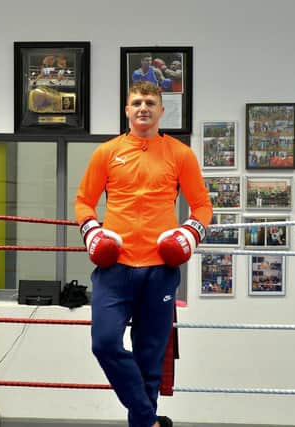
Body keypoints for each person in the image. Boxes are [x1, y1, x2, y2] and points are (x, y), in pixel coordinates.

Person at [74, 81, 213, 427]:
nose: (143, 108)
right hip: (115, 268)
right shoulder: (106, 152)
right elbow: (83, 202)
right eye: (136, 102)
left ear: (162, 111)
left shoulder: (180, 153)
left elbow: (203, 207)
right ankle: (150, 420)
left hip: (159, 271)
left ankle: (143, 423)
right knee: (104, 343)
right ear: (127, 110)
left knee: (150, 361)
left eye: (150, 102)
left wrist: (188, 233)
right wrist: (92, 231)